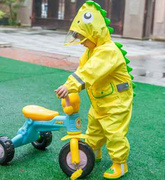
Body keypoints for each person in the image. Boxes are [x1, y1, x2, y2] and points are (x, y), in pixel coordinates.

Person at [55, 1, 133, 179]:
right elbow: (82, 71)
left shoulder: (108, 52)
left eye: (83, 38)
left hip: (116, 102)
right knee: (94, 127)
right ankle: (92, 151)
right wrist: (73, 89)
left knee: (114, 132)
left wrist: (70, 85)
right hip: (100, 101)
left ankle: (120, 164)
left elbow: (90, 72)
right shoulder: (90, 52)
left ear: (95, 32)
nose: (81, 42)